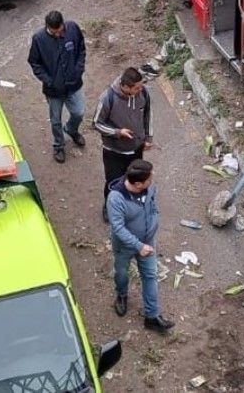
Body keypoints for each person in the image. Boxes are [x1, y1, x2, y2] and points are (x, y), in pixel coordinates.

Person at [107, 160, 173, 331]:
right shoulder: (116, 199)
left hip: (148, 242)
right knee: (122, 273)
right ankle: (121, 295)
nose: (153, 180)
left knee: (150, 275)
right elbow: (118, 228)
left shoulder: (149, 188)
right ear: (138, 184)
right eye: (149, 179)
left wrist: (154, 219)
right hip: (125, 246)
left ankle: (151, 316)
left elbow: (152, 203)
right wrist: (138, 246)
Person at [92, 67, 152, 220]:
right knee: (113, 182)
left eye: (141, 86)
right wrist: (118, 133)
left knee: (135, 180)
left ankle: (132, 206)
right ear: (126, 86)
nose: (141, 89)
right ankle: (108, 206)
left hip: (136, 149)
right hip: (114, 151)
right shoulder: (108, 97)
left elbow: (147, 115)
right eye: (137, 87)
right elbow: (96, 123)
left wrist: (147, 138)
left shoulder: (143, 93)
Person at [27, 10, 87, 162]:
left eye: (60, 31)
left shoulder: (72, 28)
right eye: (54, 33)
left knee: (78, 112)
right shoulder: (39, 39)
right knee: (55, 121)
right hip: (53, 90)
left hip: (74, 84)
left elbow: (81, 49)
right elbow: (35, 63)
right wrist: (49, 81)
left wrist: (78, 70)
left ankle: (72, 130)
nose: (58, 35)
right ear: (47, 27)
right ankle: (59, 146)